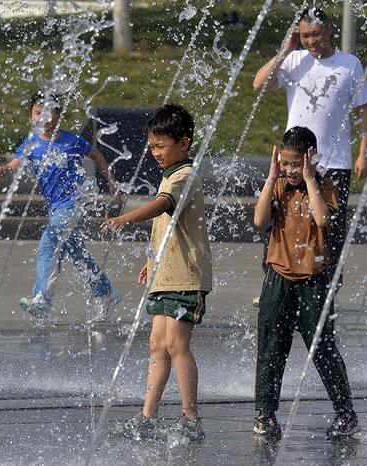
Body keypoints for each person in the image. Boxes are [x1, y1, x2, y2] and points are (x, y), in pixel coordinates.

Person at [103, 103, 212, 441]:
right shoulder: (169, 175)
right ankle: (147, 416)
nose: (154, 153)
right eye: (151, 146)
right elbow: (166, 227)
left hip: (186, 277)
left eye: (161, 146)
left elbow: (165, 205)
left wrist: (126, 218)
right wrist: (152, 261)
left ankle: (191, 418)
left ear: (184, 143)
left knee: (177, 345)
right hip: (166, 274)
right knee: (156, 345)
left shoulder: (184, 175)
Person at [252, 126, 359, 441]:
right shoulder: (278, 185)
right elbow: (259, 221)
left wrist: (310, 178)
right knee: (271, 346)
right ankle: (265, 415)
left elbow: (323, 219)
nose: (289, 169)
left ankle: (345, 414)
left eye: (295, 164)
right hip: (279, 279)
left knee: (323, 349)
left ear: (310, 159)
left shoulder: (324, 186)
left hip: (314, 280)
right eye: (285, 163)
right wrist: (272, 177)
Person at [253, 7, 367, 281]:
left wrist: (364, 152)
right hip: (293, 161)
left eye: (316, 34)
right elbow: (259, 84)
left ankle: (327, 285)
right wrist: (285, 50)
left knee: (327, 227)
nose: (311, 41)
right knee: (281, 220)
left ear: (329, 30)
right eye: (305, 36)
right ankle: (276, 279)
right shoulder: (295, 60)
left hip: (335, 162)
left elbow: (363, 111)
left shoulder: (349, 64)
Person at [0, 90, 121, 323]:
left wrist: (111, 183)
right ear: (31, 118)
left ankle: (42, 299)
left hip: (77, 202)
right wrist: (2, 170)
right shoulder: (31, 143)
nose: (46, 118)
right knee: (74, 250)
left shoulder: (72, 141)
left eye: (51, 112)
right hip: (57, 207)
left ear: (59, 115)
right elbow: (15, 163)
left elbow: (97, 156)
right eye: (39, 113)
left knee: (50, 239)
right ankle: (104, 290)